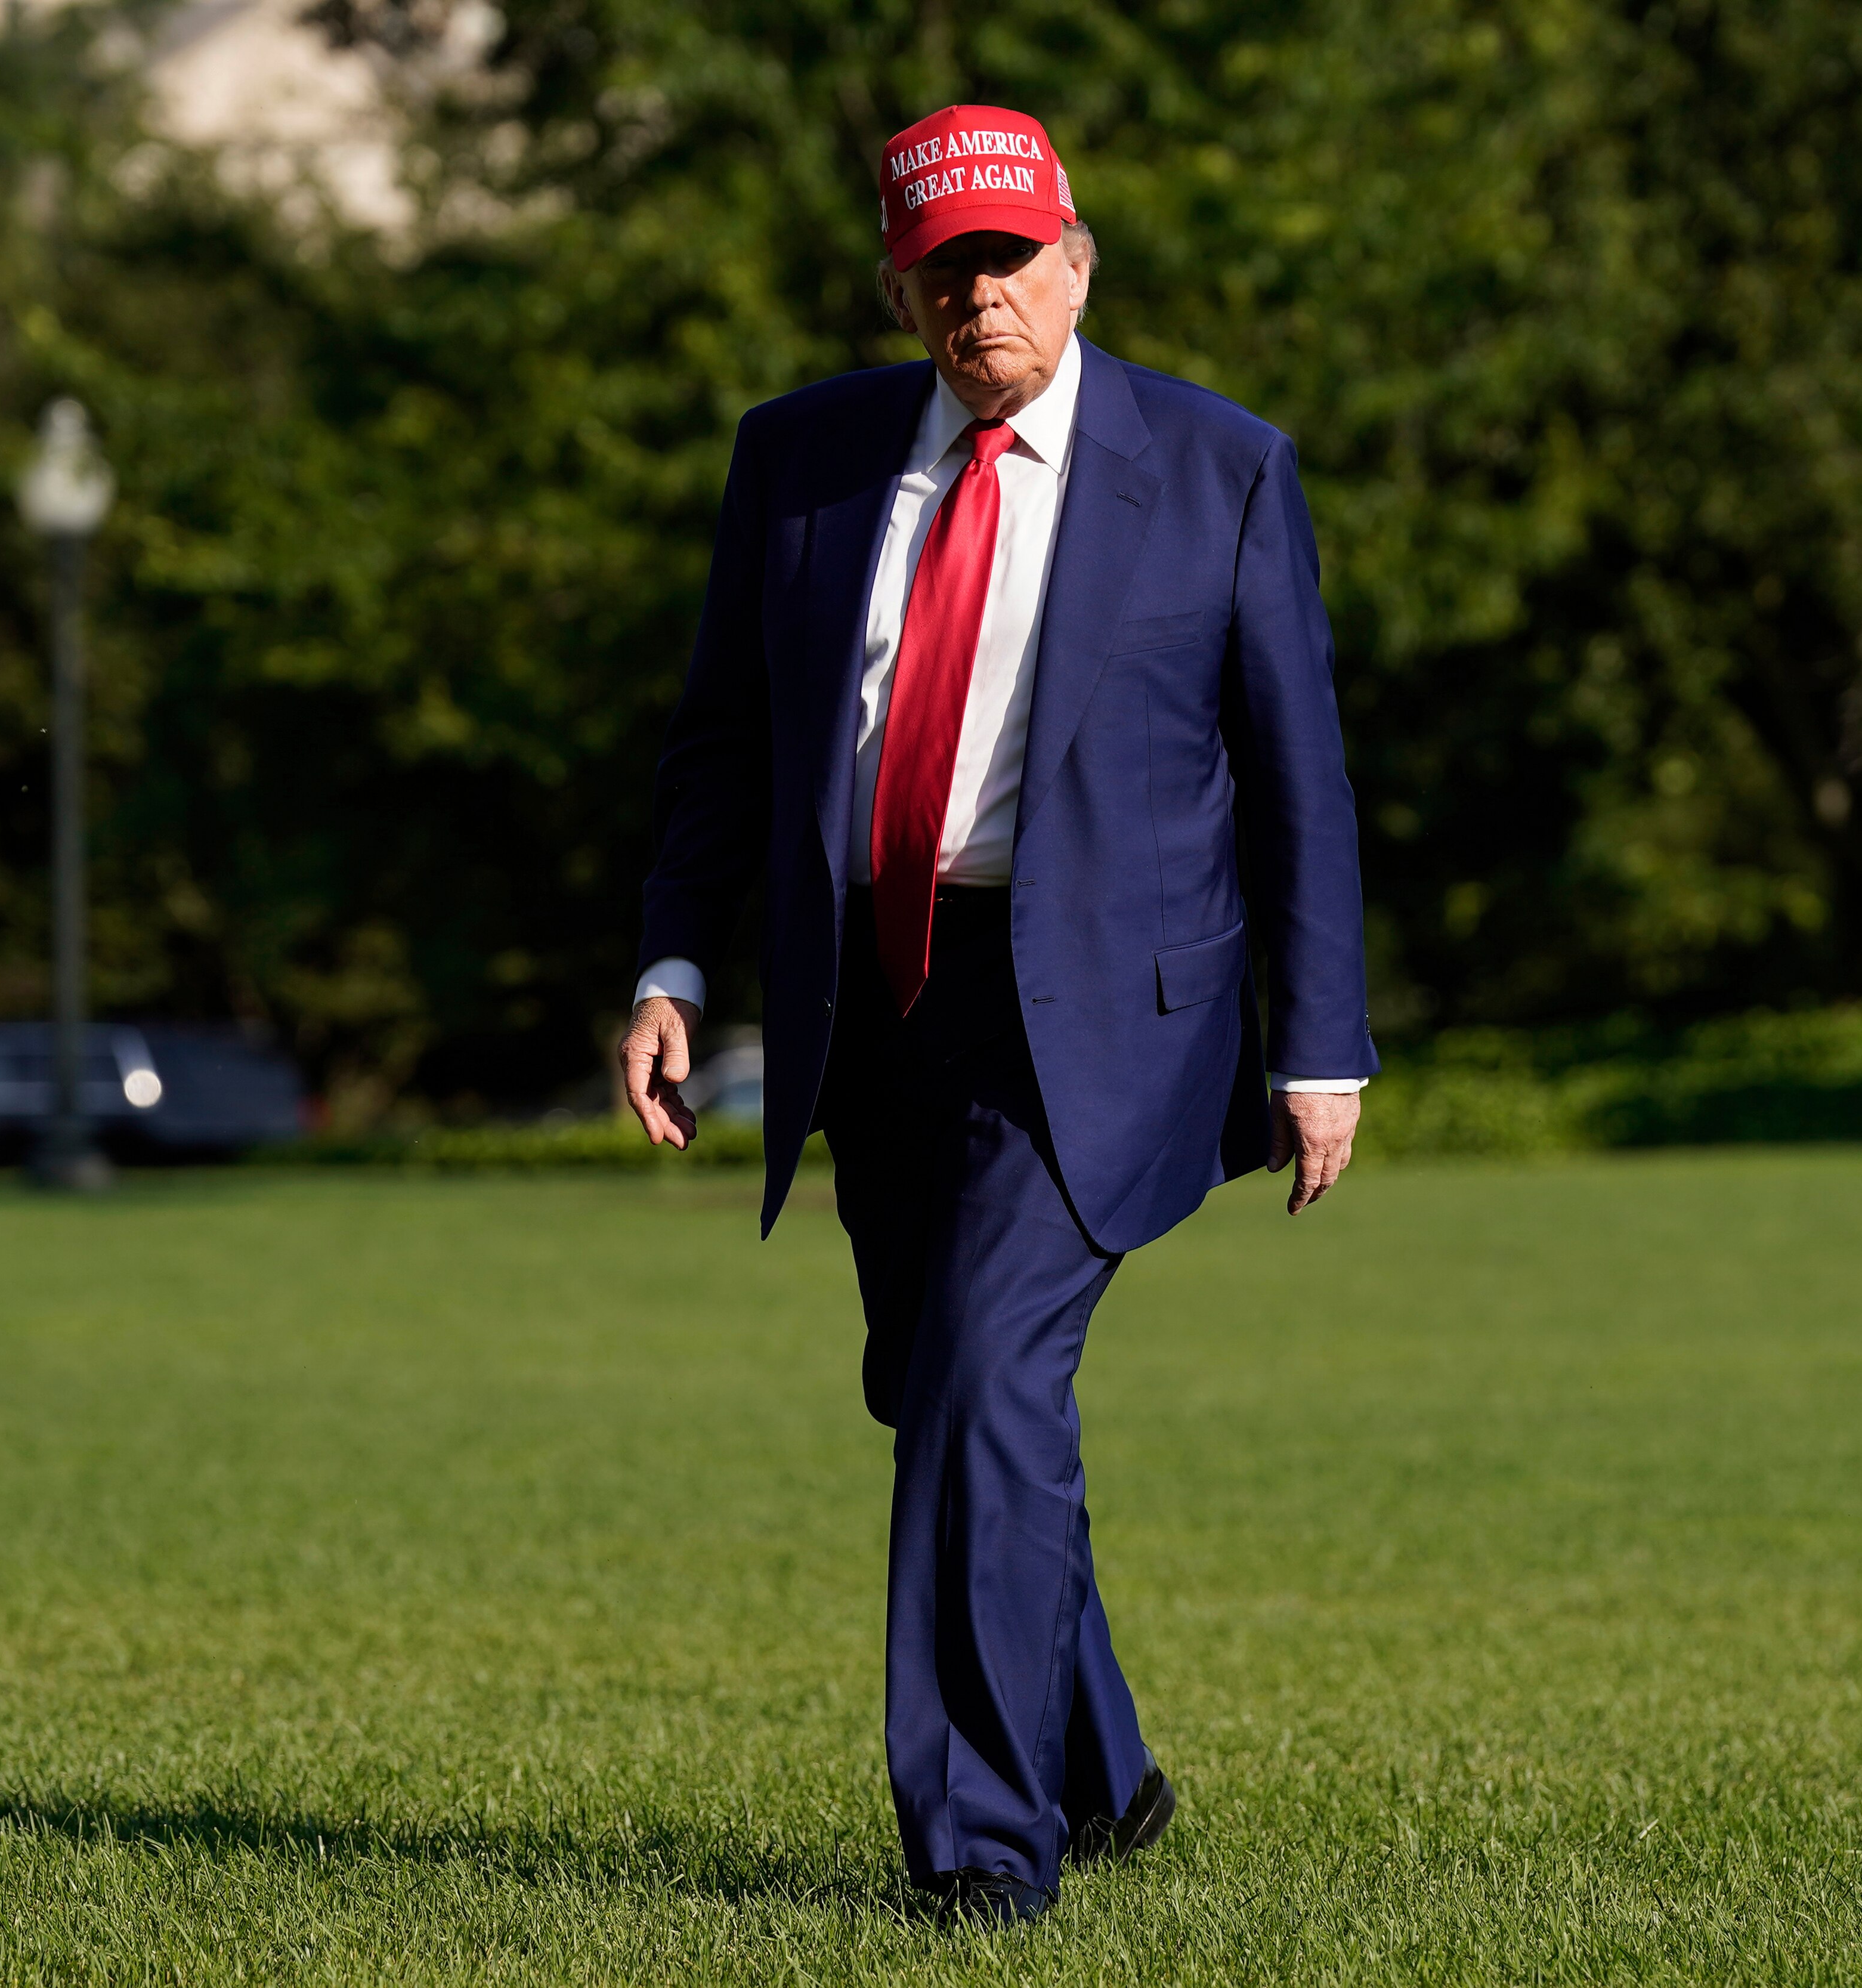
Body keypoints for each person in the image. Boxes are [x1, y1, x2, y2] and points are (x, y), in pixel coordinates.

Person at [618, 103, 1376, 1925]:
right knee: (954, 1392)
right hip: (872, 995)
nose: (981, 301)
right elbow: (723, 743)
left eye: (1009, 260)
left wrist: (1321, 1039)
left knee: (978, 1373)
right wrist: (672, 963)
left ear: (1077, 256)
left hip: (1107, 1013)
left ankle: (981, 1854)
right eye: (942, 271)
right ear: (901, 284)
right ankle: (1103, 1772)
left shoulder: (1220, 470)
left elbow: (1300, 778)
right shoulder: (797, 464)